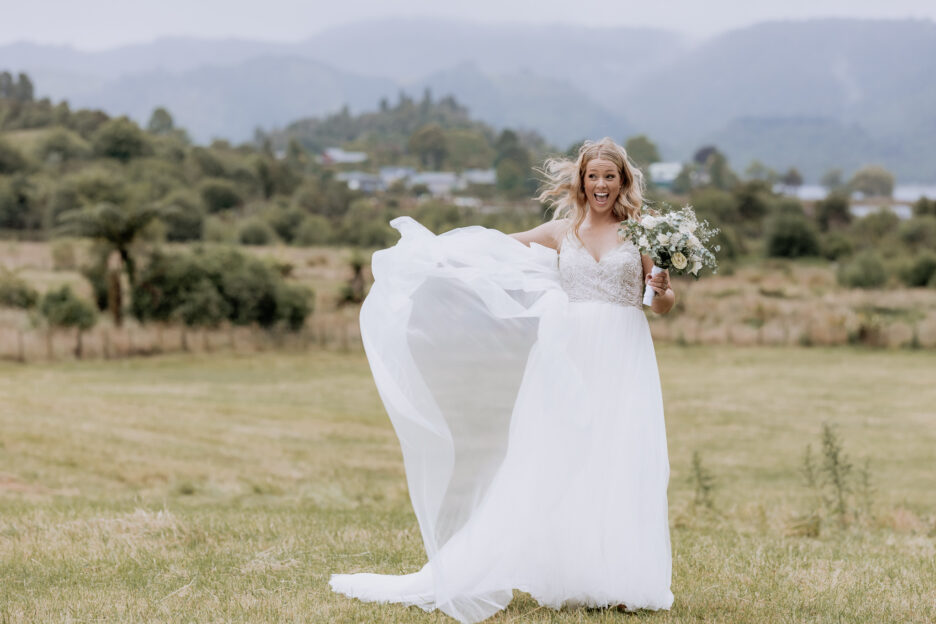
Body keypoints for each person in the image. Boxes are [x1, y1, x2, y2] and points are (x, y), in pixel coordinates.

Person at [330, 138, 675, 623]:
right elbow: (496, 251)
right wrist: (438, 260)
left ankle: (621, 580)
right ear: (581, 181)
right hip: (569, 353)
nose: (601, 185)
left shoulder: (644, 233)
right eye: (593, 176)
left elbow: (659, 305)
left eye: (610, 177)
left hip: (624, 351)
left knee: (622, 454)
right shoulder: (562, 230)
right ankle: (569, 573)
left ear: (623, 182)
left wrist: (661, 289)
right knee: (559, 456)